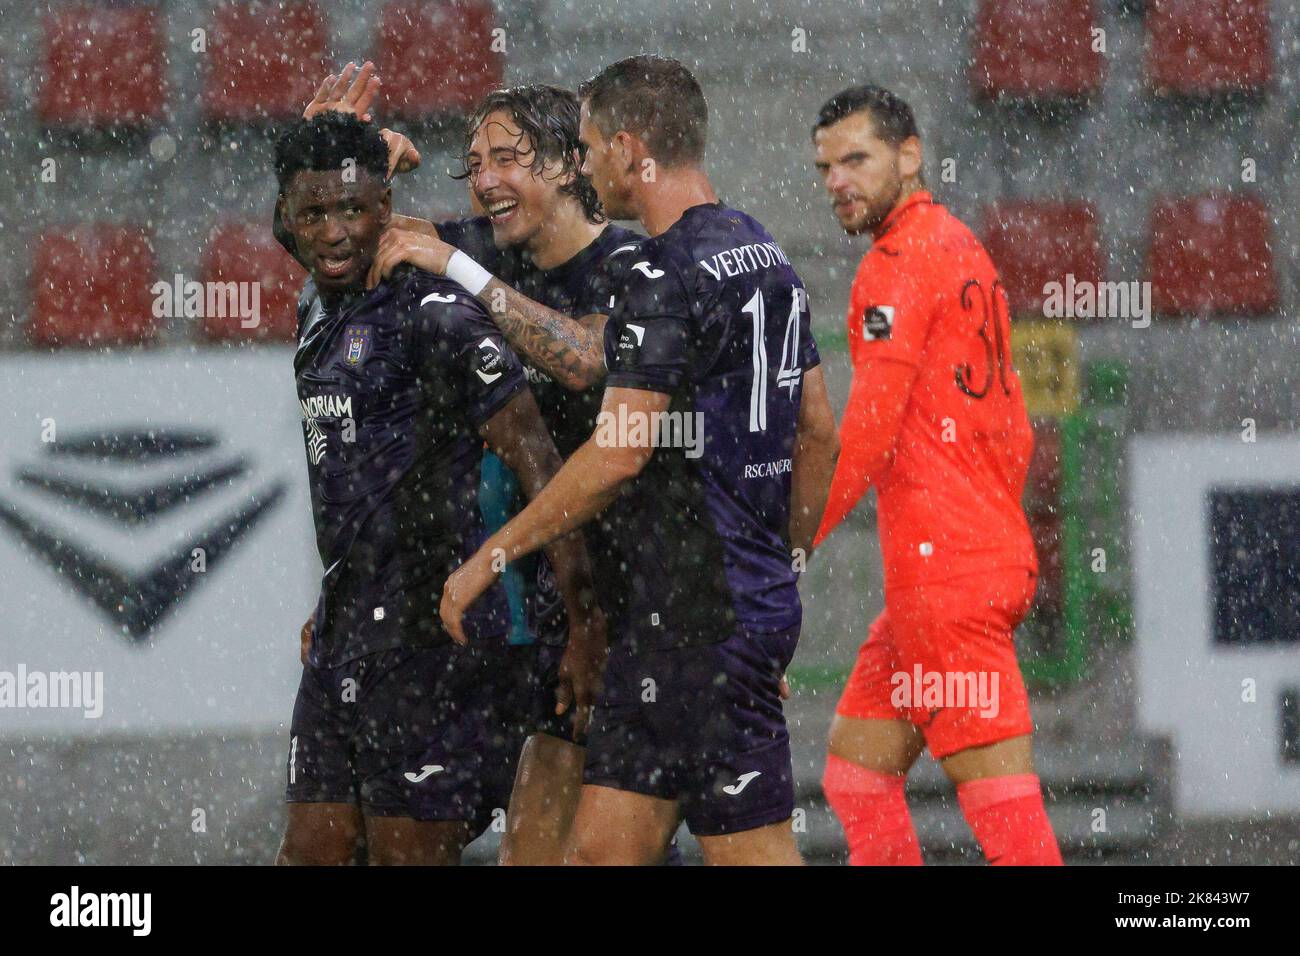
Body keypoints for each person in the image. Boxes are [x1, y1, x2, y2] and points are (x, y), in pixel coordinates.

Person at [374, 56, 840, 865]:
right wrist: (780, 567)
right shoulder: (763, 251)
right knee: (591, 857)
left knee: (753, 854)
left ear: (627, 150)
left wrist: (493, 554)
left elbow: (618, 454)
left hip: (699, 619)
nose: (586, 165)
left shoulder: (660, 273)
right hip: (681, 618)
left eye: (588, 147)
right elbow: (820, 432)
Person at [280, 67, 652, 864]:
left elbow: (587, 359)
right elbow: (354, 232)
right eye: (473, 163)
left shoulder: (631, 264)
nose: (484, 181)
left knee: (622, 844)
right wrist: (336, 155)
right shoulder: (490, 244)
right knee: (554, 851)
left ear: (568, 165)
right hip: (528, 601)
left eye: (506, 159)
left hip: (631, 598)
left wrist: (458, 270)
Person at [809, 84, 1062, 865]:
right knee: (855, 773)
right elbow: (1015, 427)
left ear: (910, 155)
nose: (836, 181)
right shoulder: (961, 245)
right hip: (971, 564)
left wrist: (787, 540)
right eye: (824, 167)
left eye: (856, 159)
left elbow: (869, 437)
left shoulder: (893, 265)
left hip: (945, 582)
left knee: (1012, 834)